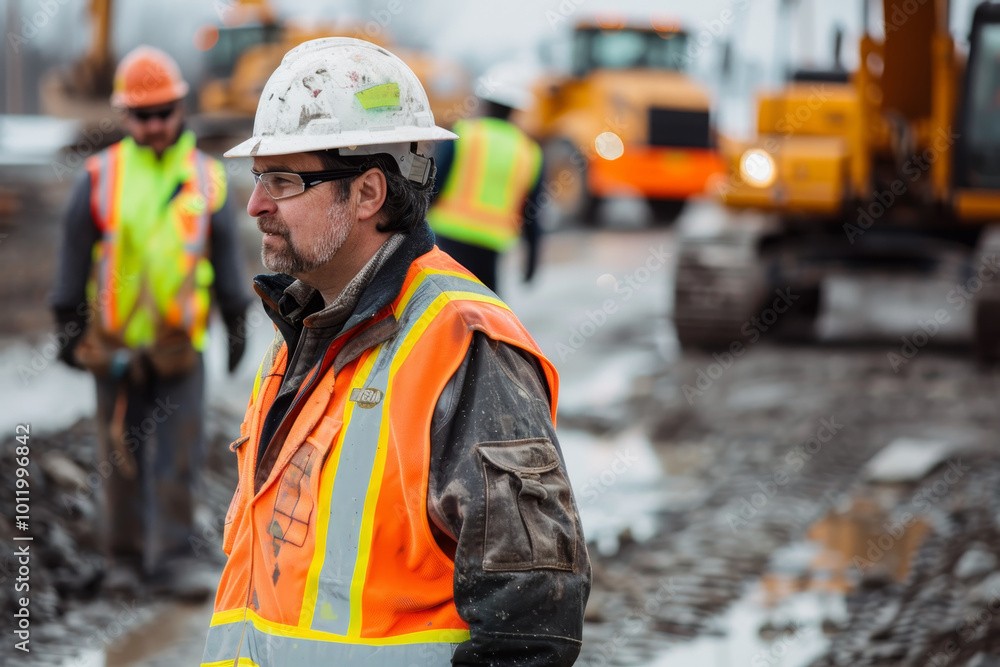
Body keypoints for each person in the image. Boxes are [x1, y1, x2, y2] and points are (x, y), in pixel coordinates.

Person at [201, 37, 590, 666]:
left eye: (282, 180)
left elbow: (533, 620)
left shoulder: (464, 347)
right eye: (257, 179)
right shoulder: (305, 321)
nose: (256, 206)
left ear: (367, 194)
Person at [50, 46, 252, 599]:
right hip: (115, 348)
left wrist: (235, 319)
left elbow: (226, 254)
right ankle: (124, 561)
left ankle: (171, 560)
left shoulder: (206, 178)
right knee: (119, 459)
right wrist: (67, 319)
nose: (155, 124)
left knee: (177, 456)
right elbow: (73, 254)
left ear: (180, 108)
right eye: (142, 115)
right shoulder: (99, 177)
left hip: (178, 346)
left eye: (163, 112)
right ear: (125, 117)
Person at [428, 63, 545, 293]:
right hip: (492, 244)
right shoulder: (529, 151)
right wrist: (532, 261)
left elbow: (433, 185)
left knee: (442, 304)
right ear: (516, 109)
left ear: (486, 102)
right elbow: (533, 213)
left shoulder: (463, 134)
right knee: (486, 312)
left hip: (448, 237)